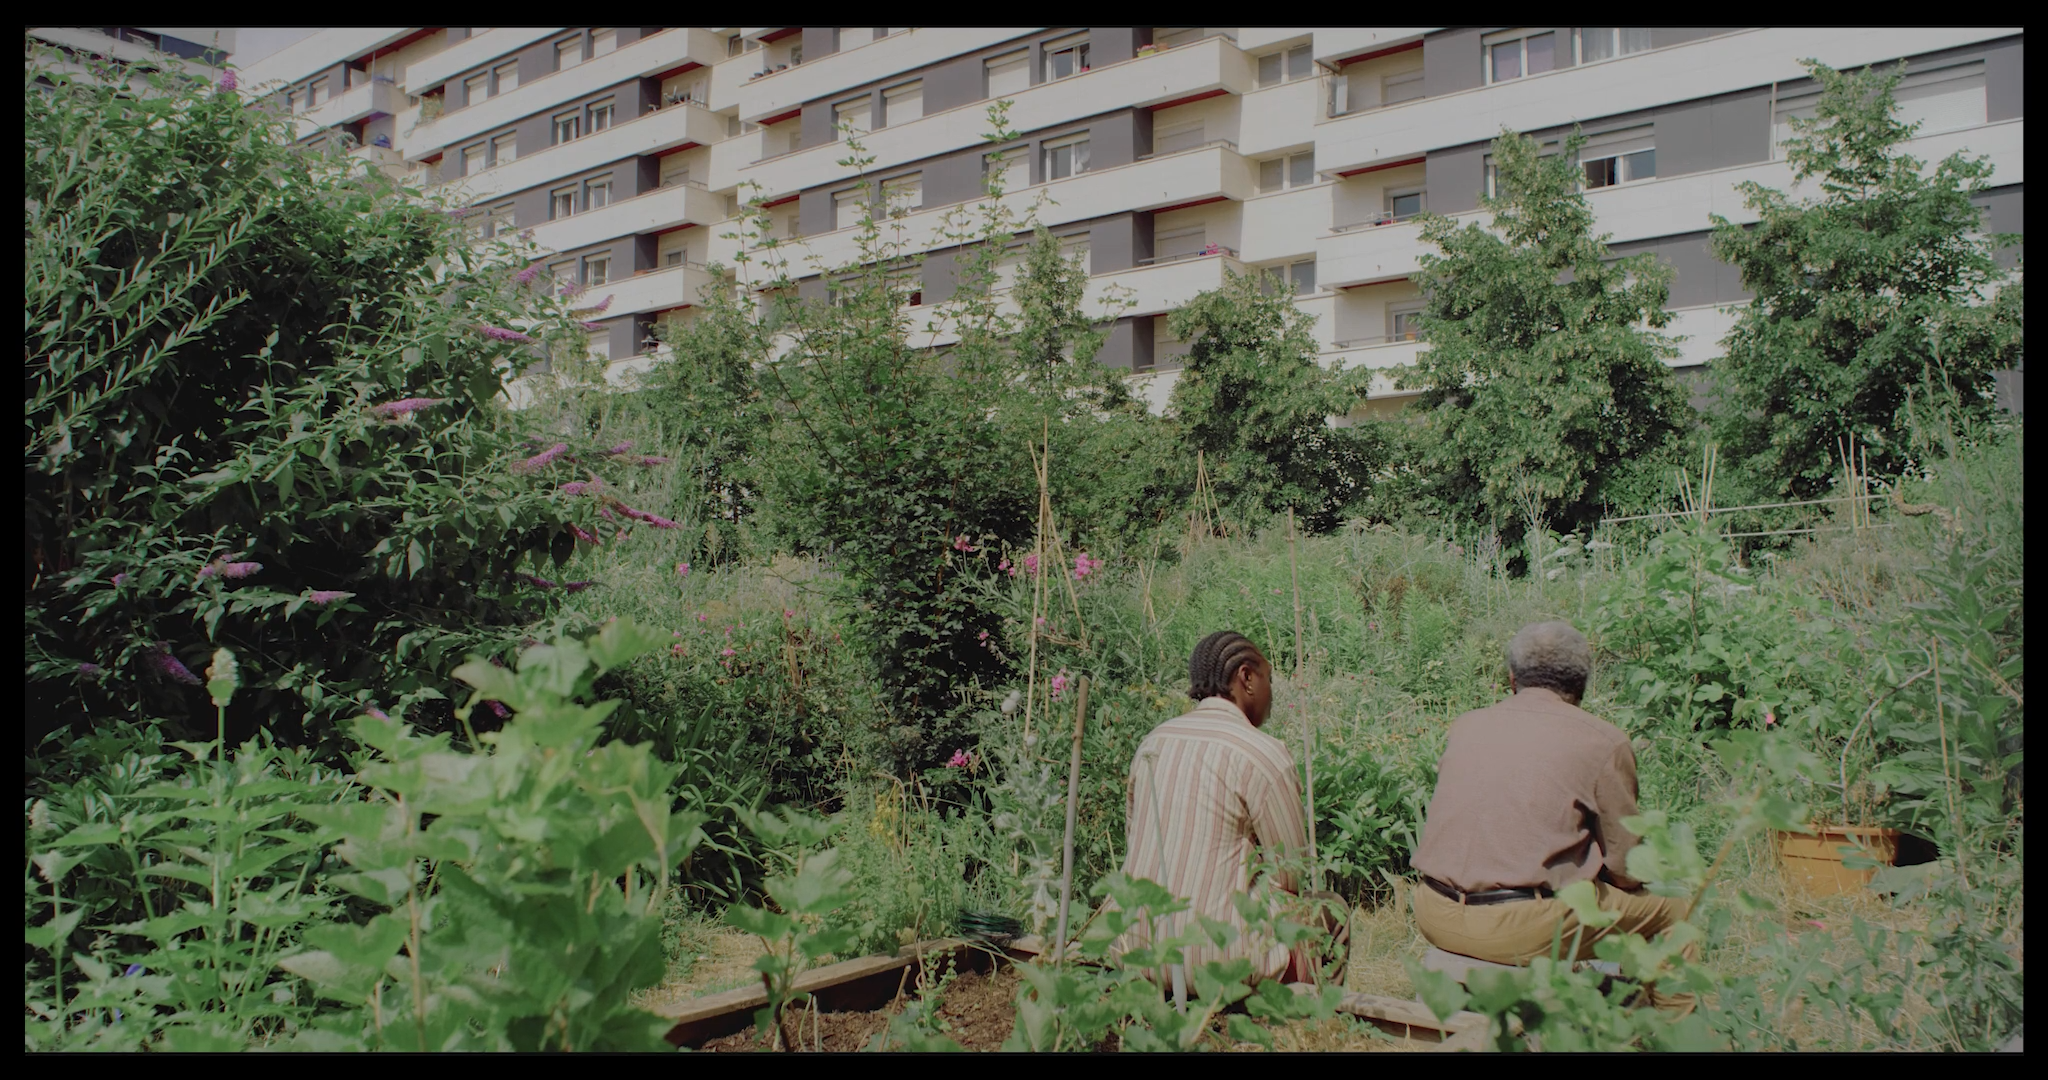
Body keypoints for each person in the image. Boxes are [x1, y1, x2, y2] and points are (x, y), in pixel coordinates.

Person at [1410, 621, 1694, 1011]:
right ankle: (1678, 1030)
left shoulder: (1466, 725)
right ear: (1582, 684)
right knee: (1675, 913)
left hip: (1433, 912)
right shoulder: (1603, 740)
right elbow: (1627, 869)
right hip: (1521, 927)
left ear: (1512, 679)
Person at [1110, 630, 1347, 989]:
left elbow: (1137, 840)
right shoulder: (1262, 753)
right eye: (1269, 679)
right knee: (1330, 910)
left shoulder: (1153, 742)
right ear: (1246, 677)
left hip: (1132, 947)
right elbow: (1289, 875)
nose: (1272, 693)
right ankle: (1316, 1017)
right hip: (1216, 964)